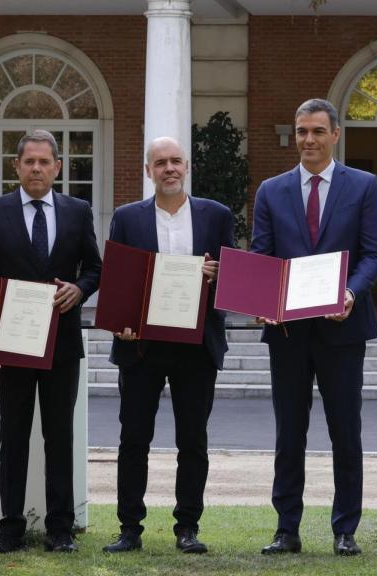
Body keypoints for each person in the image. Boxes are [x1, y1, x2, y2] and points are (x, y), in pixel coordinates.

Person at [251, 98, 377, 557]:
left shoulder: (363, 186)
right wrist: (260, 300)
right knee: (289, 434)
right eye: (301, 131)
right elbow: (263, 254)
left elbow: (374, 255)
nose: (308, 140)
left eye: (316, 132)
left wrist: (350, 293)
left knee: (346, 433)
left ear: (335, 135)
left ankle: (345, 529)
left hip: (342, 328)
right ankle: (286, 529)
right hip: (287, 332)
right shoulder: (270, 190)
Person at [100, 137, 234, 555]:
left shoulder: (216, 215)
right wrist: (120, 324)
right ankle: (129, 529)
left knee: (193, 440)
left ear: (187, 166)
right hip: (142, 346)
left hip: (197, 345)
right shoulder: (127, 218)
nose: (169, 169)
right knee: (133, 439)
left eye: (176, 161)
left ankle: (187, 527)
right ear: (148, 170)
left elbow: (234, 277)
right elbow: (117, 278)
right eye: (161, 163)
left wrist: (218, 274)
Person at [0, 129, 102, 554]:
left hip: (61, 344)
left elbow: (95, 269)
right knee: (13, 438)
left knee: (59, 438)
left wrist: (79, 290)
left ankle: (60, 530)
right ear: (17, 166)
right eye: (29, 161)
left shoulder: (78, 210)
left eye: (45, 162)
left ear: (58, 167)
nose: (37, 168)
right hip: (11, 345)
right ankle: (9, 530)